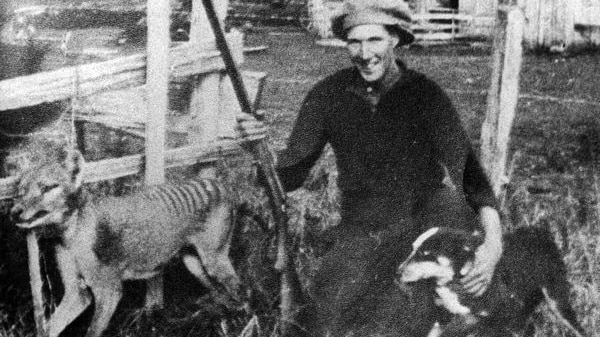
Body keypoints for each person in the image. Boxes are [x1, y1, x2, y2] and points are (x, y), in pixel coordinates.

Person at [240, 0, 503, 335]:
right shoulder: (328, 95)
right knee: (319, 320)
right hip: (364, 228)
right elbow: (288, 176)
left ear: (395, 38)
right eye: (355, 42)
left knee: (413, 314)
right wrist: (255, 148)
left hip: (427, 219)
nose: (365, 53)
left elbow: (471, 178)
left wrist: (493, 245)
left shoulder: (425, 95)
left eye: (374, 40)